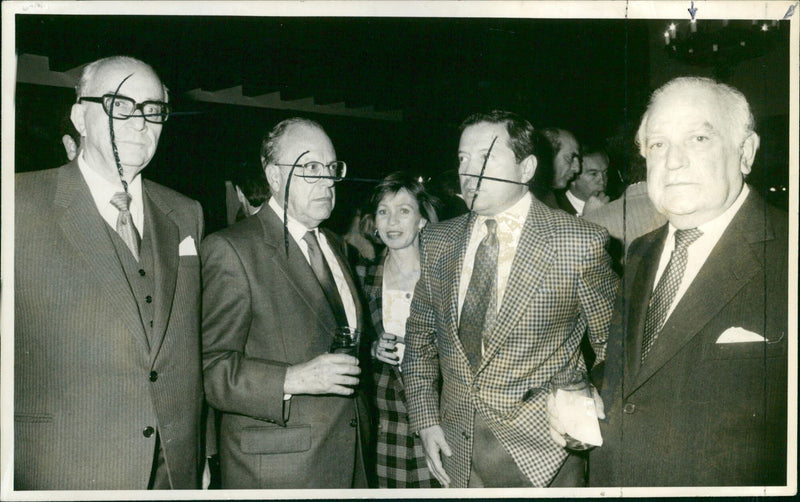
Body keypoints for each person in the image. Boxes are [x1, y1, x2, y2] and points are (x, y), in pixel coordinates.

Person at [14, 56, 205, 489]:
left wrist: (199, 454)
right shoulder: (17, 203)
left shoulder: (185, 213)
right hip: (62, 468)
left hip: (173, 471)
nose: (140, 122)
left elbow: (186, 349)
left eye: (153, 109)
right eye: (121, 104)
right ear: (80, 116)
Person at [402, 110, 618, 488]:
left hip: (547, 455)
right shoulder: (438, 242)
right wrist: (425, 420)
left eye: (485, 157)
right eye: (462, 159)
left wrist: (585, 408)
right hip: (457, 454)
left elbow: (615, 344)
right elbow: (419, 340)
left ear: (526, 167)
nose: (468, 172)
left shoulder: (578, 241)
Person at [590, 77, 788, 486]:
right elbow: (633, 372)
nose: (672, 161)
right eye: (658, 145)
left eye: (698, 138)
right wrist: (587, 396)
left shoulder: (791, 253)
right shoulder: (640, 251)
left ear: (745, 153)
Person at [201, 117, 372, 488]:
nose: (327, 181)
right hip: (280, 470)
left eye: (331, 168)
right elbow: (210, 369)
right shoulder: (231, 249)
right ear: (274, 177)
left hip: (351, 457)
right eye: (310, 167)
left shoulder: (335, 244)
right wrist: (293, 378)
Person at [358, 172, 440, 488]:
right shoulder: (362, 279)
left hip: (438, 419)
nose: (392, 220)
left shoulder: (444, 278)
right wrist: (371, 349)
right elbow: (344, 343)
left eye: (404, 210)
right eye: (383, 211)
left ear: (421, 220)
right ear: (374, 223)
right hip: (384, 427)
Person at [558, 147, 610, 216]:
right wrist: (589, 216)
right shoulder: (557, 210)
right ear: (573, 177)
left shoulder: (613, 204)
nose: (603, 181)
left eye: (605, 172)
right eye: (593, 174)